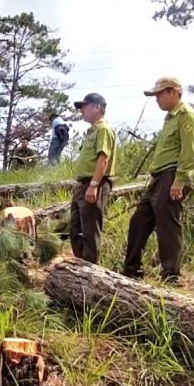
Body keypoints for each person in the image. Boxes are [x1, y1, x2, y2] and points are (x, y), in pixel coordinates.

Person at [123, 76, 194, 284]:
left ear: (174, 92)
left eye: (160, 94)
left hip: (172, 175)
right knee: (139, 220)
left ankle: (171, 275)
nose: (157, 99)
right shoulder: (170, 118)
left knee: (168, 225)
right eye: (155, 95)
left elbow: (189, 151)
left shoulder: (187, 116)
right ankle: (131, 270)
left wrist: (180, 180)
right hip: (158, 177)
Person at [70, 93, 116, 264]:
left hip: (94, 183)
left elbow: (104, 159)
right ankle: (79, 268)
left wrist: (94, 185)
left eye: (85, 106)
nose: (82, 110)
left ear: (98, 107)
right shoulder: (92, 132)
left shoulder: (103, 129)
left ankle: (90, 271)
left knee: (90, 230)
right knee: (76, 229)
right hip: (83, 185)